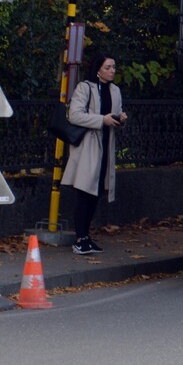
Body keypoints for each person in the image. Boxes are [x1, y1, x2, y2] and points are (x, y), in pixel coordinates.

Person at [62, 54, 127, 255]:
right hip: (88, 146)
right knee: (84, 192)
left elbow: (115, 114)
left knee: (96, 192)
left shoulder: (115, 90)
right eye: (108, 67)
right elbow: (75, 114)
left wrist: (120, 118)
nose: (112, 70)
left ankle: (85, 237)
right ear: (98, 69)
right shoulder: (85, 87)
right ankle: (80, 238)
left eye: (114, 66)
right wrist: (101, 120)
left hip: (105, 146)